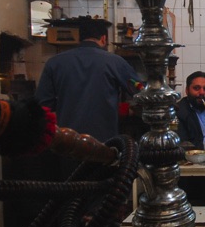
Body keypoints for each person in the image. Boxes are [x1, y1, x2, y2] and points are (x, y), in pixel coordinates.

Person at [35, 18, 141, 177]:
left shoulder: (54, 63)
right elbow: (140, 92)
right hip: (104, 146)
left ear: (79, 38)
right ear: (104, 39)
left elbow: (41, 106)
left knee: (72, 187)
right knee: (102, 188)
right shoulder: (115, 62)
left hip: (67, 144)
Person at [175, 71, 205, 155]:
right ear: (187, 90)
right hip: (193, 156)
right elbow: (185, 145)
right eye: (196, 88)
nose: (202, 92)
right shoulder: (179, 111)